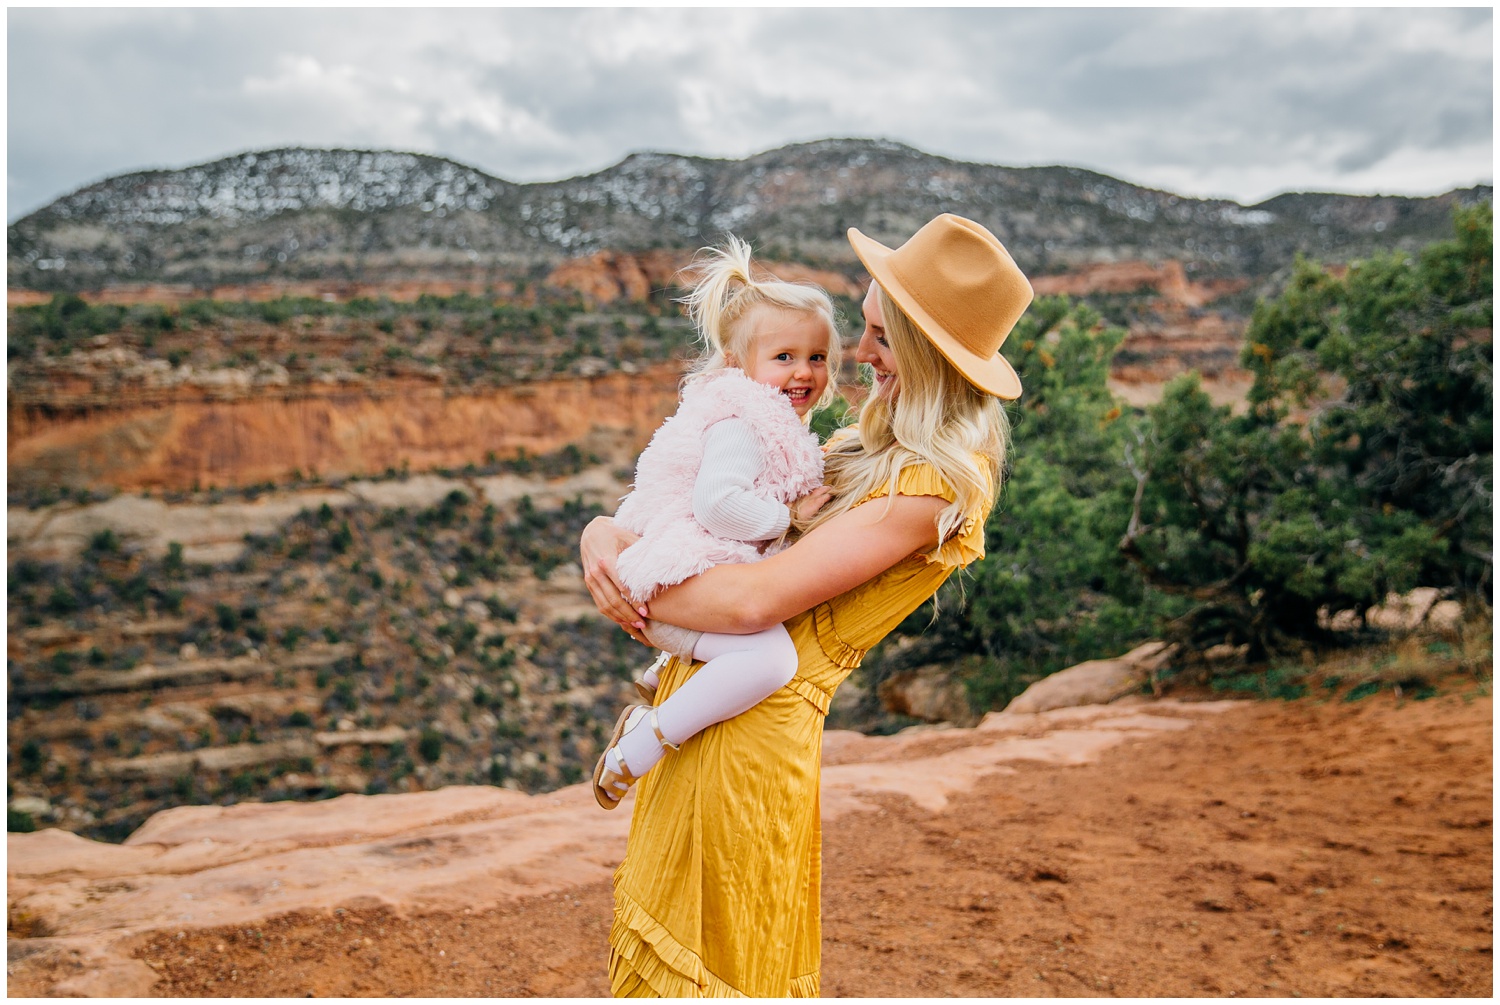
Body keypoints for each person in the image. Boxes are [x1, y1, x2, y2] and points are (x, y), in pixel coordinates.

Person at [580, 213, 1033, 997]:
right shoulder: (864, 453)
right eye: (863, 330)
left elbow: (757, 597)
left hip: (756, 727)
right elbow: (710, 504)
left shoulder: (932, 488)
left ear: (927, 353)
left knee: (722, 956)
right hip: (719, 699)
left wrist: (637, 583)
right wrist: (602, 532)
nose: (858, 356)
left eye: (882, 339)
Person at [591, 236, 843, 810]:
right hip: (673, 575)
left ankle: (670, 670)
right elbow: (717, 507)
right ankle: (642, 741)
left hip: (679, 579)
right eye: (784, 357)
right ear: (737, 363)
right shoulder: (740, 426)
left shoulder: (767, 418)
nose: (804, 371)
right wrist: (789, 520)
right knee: (772, 660)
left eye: (818, 357)